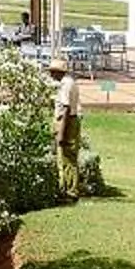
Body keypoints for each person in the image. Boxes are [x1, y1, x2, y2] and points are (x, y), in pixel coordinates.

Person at [48, 61, 84, 197]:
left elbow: (66, 109)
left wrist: (61, 133)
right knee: (70, 157)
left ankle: (70, 190)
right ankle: (70, 188)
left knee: (67, 158)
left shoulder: (65, 85)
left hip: (67, 122)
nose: (51, 74)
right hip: (71, 120)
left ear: (59, 72)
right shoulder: (70, 82)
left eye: (53, 71)